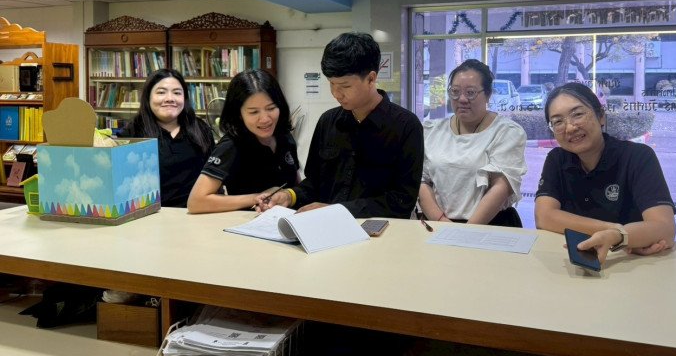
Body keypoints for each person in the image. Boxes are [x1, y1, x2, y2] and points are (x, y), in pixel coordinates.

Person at [264, 32, 422, 218]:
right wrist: (290, 196)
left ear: (371, 79)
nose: (336, 93)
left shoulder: (405, 126)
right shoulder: (327, 121)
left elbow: (402, 200)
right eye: (331, 83)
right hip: (325, 227)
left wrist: (338, 211)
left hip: (380, 230)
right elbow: (314, 183)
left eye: (345, 86)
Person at [535, 82, 676, 265]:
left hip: (631, 263)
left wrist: (617, 237)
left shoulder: (638, 157)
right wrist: (618, 233)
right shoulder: (557, 159)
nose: (569, 128)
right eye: (558, 122)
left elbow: (665, 229)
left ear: (601, 116)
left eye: (578, 114)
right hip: (577, 261)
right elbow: (544, 216)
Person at [418, 60, 527, 227]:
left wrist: (466, 232)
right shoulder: (432, 131)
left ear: (488, 94)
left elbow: (501, 187)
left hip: (491, 226)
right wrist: (441, 222)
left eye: (470, 93)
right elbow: (422, 181)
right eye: (455, 92)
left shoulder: (506, 132)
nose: (462, 99)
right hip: (439, 225)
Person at [187, 69, 299, 213]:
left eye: (271, 108)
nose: (265, 119)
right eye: (254, 112)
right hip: (249, 221)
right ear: (239, 113)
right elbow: (196, 202)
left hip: (289, 219)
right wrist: (257, 198)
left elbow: (297, 183)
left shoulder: (284, 136)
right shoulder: (231, 145)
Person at [118, 69, 214, 207]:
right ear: (148, 97)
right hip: (150, 214)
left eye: (177, 93)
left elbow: (213, 177)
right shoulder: (132, 134)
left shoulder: (200, 129)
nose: (170, 98)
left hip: (196, 212)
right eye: (161, 92)